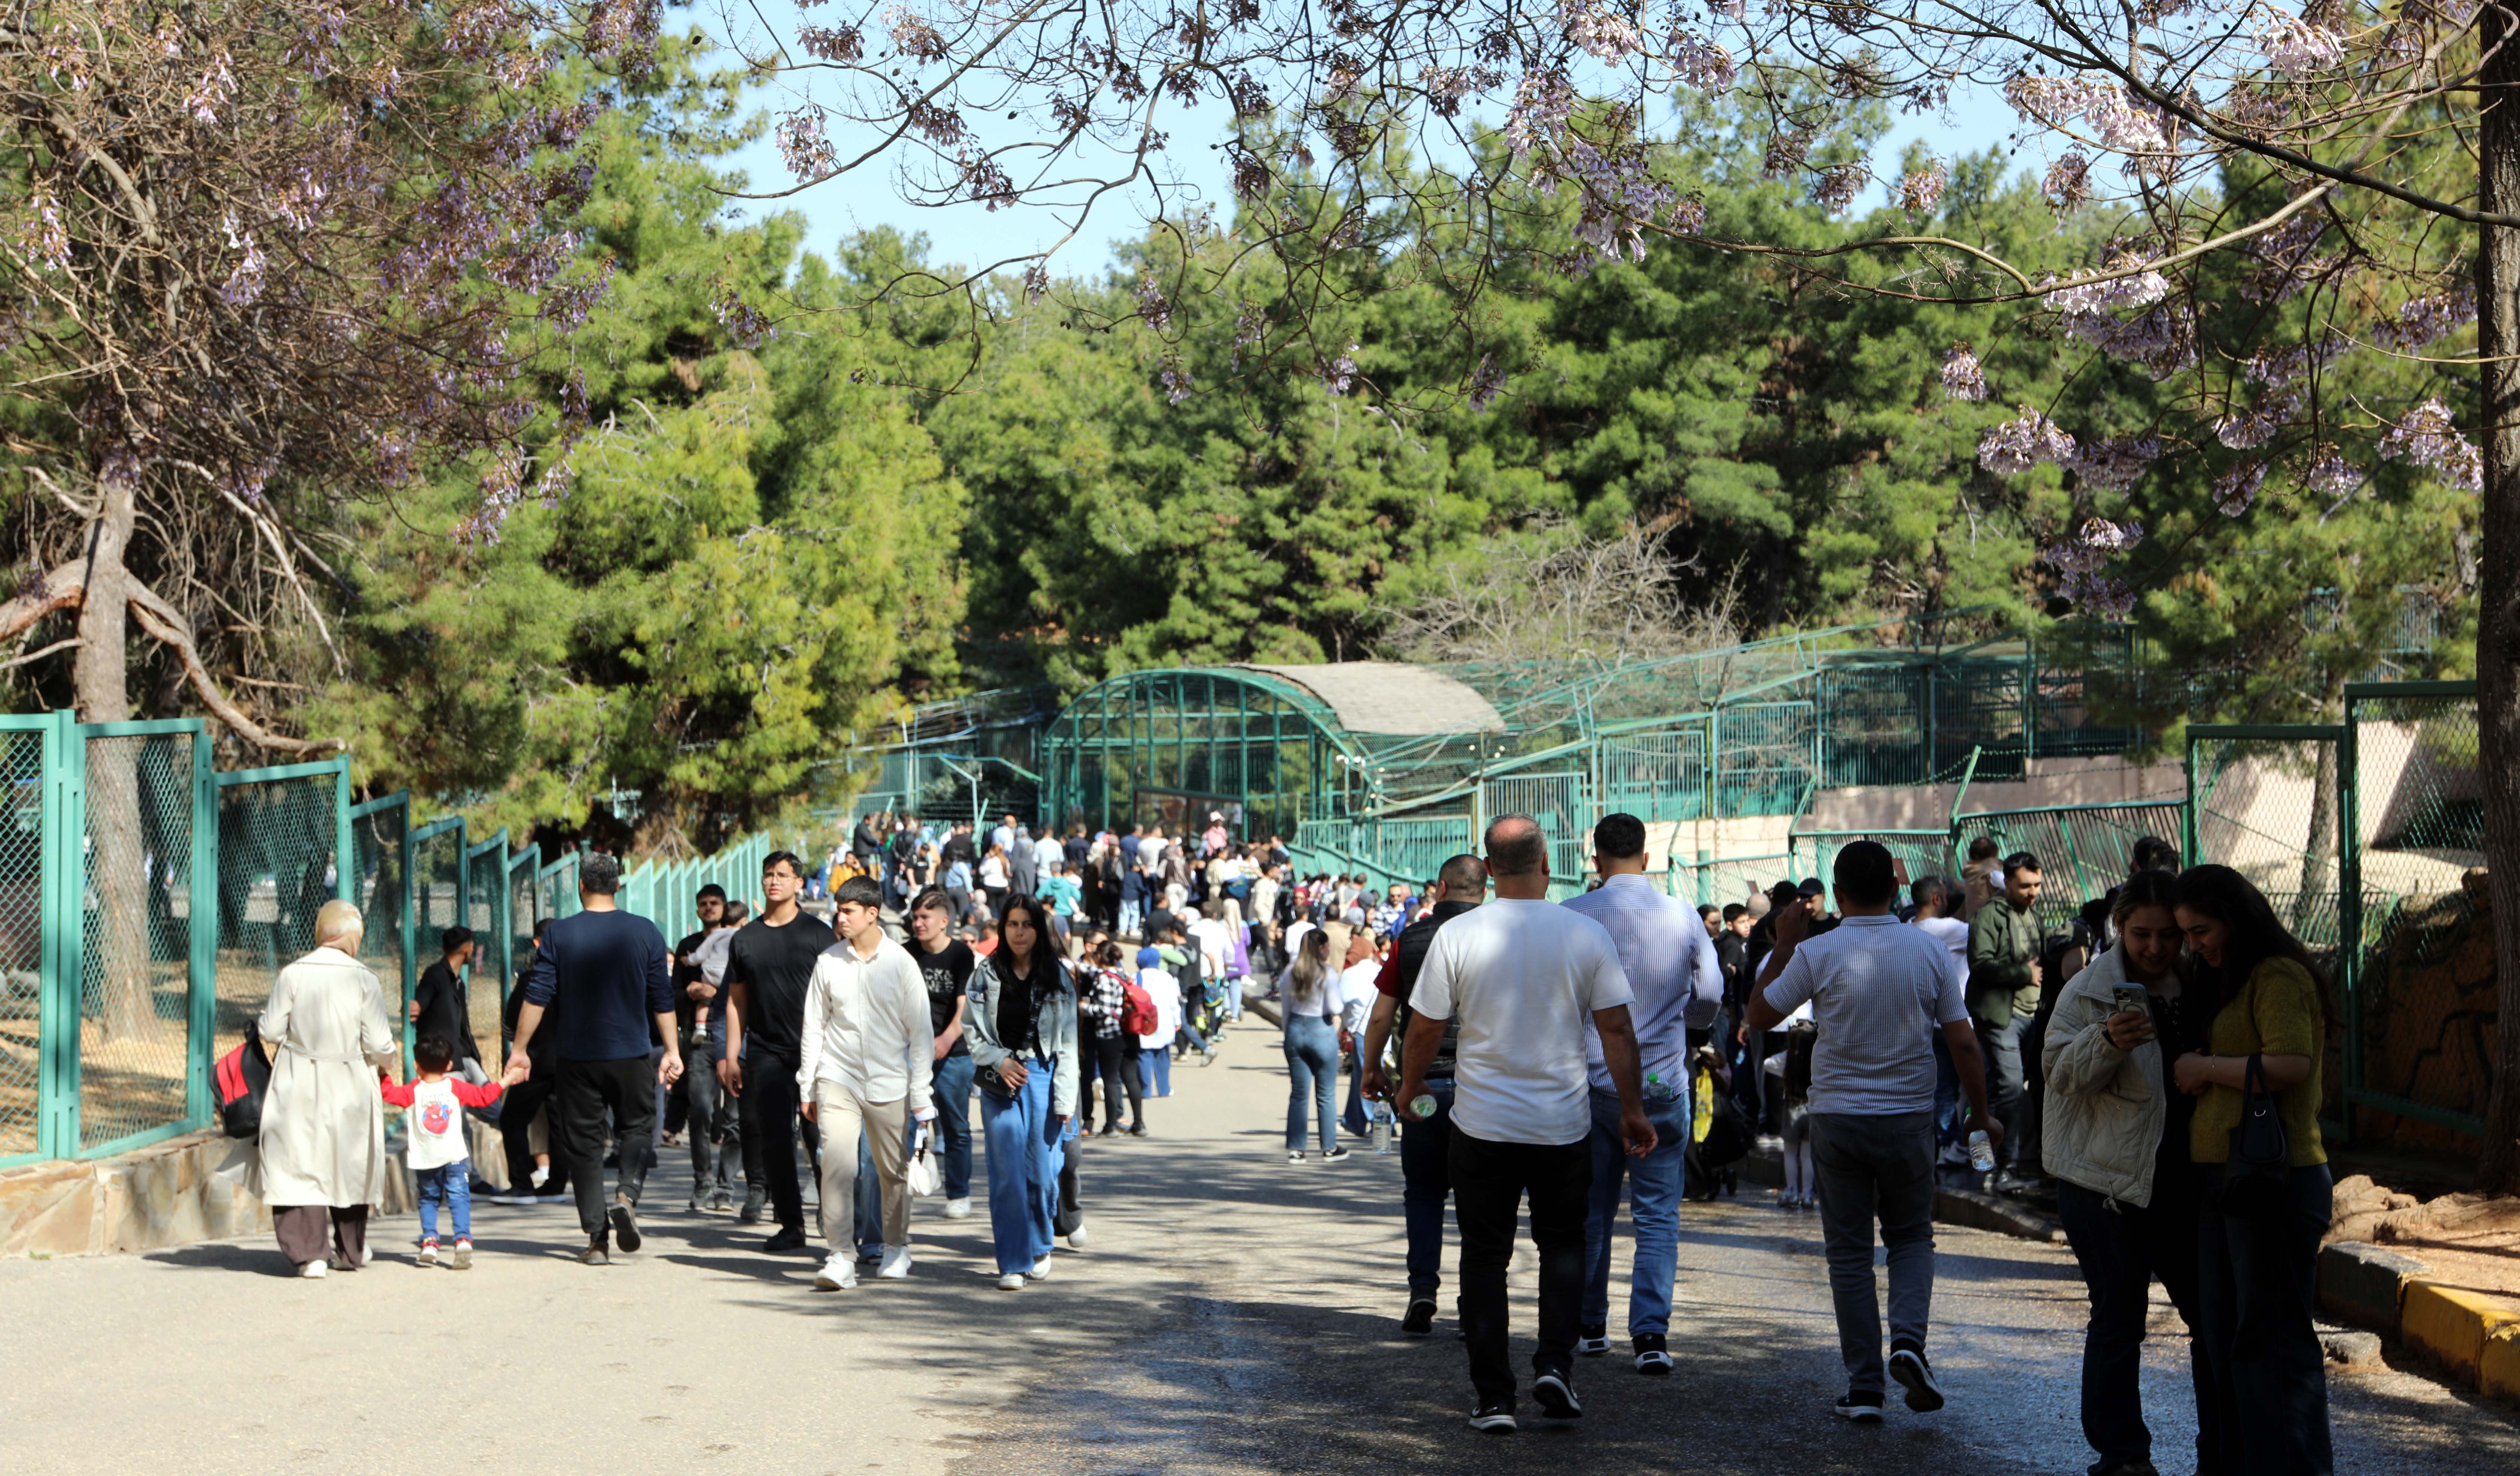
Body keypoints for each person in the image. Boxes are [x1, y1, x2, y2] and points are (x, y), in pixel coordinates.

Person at [1397, 815, 1652, 1435]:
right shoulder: (1583, 934)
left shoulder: (1457, 936)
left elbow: (1426, 1026)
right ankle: (1556, 1367)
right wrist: (1633, 1108)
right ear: (1546, 866)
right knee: (1564, 1245)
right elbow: (1615, 1029)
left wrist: (1411, 1084)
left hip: (1481, 1124)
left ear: (1487, 871)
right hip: (1561, 1124)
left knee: (1485, 1257)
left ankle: (1493, 1397)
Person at [1745, 840, 1998, 1424]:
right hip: (1908, 1120)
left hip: (1837, 1122)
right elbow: (1962, 1041)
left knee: (1850, 1256)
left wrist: (1785, 944)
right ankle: (1907, 1342)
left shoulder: (1819, 952)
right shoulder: (1927, 950)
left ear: (1836, 896)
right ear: (1895, 889)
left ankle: (1865, 1390)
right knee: (1911, 1238)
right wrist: (1981, 1115)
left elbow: (1759, 1016)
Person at [2044, 868, 2229, 1476]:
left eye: (2167, 936)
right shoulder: (2089, 992)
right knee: (2120, 1320)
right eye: (2141, 934)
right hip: (2104, 1186)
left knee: (2211, 1319)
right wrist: (2105, 1042)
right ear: (2120, 927)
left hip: (2184, 1182)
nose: (2155, 948)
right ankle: (2123, 1457)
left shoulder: (2200, 981)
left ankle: (2223, 1452)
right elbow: (2060, 1076)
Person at [2170, 865, 2337, 1476]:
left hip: (2275, 1179)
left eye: (2202, 930)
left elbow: (2291, 1062)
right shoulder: (2225, 977)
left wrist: (2206, 1069)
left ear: (2237, 918)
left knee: (2271, 1342)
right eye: (2187, 933)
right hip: (2222, 1180)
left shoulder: (2279, 975)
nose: (2195, 943)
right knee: (2223, 1339)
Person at [1561, 812, 1722, 1375]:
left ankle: (1590, 1325)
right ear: (1646, 857)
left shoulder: (1574, 915)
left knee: (1593, 1213)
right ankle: (1651, 1334)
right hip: (1661, 1085)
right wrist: (1683, 1024)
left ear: (1597, 861)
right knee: (1658, 1215)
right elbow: (1710, 994)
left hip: (1590, 1086)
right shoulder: (1680, 915)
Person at [508, 851, 682, 1265]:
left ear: (581, 886)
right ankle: (627, 1193)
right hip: (632, 1053)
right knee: (638, 1126)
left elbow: (538, 994)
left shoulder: (560, 934)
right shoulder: (646, 932)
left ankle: (598, 1241)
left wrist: (520, 1049)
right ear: (617, 885)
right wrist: (672, 1050)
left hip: (576, 1059)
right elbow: (662, 997)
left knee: (584, 1146)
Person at [231, 900, 399, 1277]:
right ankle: (349, 1251)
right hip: (350, 1081)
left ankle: (310, 1256)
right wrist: (390, 1058)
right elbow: (379, 1044)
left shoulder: (294, 973)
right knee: (348, 1164)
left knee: (298, 1165)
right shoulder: (365, 978)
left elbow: (271, 1031)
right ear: (354, 935)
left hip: (298, 1079)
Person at [1359, 852, 1486, 1336]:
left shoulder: (1411, 940)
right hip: (1483, 1085)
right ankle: (1476, 1296)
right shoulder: (1500, 935)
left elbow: (1380, 1016)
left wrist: (1372, 1068)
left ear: (1440, 886)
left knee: (1425, 1192)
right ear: (1485, 887)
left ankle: (1422, 1289)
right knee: (1483, 1196)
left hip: (1425, 1085)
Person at [796, 876, 937, 1289]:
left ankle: (896, 1247)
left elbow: (921, 1033)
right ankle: (840, 1255)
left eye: (848, 911)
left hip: (890, 1081)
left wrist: (921, 1094)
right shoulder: (828, 962)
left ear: (872, 914)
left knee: (890, 1170)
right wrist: (808, 1086)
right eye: (838, 910)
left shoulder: (901, 963)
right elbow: (814, 1028)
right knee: (836, 1165)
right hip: (837, 1078)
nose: (840, 918)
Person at [718, 851, 838, 1251]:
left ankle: (834, 1214)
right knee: (775, 1140)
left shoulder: (819, 934)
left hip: (817, 1053)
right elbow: (736, 1003)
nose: (774, 881)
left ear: (798, 884)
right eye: (769, 875)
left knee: (820, 1136)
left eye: (783, 875)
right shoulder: (745, 939)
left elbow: (838, 996)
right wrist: (733, 1056)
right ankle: (792, 1224)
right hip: (766, 1053)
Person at [966, 893, 1080, 1290]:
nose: (1019, 932)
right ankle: (1012, 1262)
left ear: (1039, 930)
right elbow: (972, 1030)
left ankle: (1040, 1244)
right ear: (1003, 928)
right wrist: (998, 1060)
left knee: (1042, 1173)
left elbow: (1068, 1043)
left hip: (1043, 1076)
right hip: (1000, 1079)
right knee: (1006, 1174)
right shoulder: (986, 974)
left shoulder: (1058, 978)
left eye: (1027, 924)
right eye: (1012, 924)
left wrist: (1066, 1099)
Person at [382, 1035, 504, 1269]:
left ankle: (429, 1241)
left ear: (417, 1065)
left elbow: (388, 1093)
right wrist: (507, 1079)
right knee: (459, 1198)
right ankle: (462, 1240)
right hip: (455, 1156)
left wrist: (382, 1071)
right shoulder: (454, 1087)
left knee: (428, 1199)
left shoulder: (413, 1091)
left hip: (425, 1158)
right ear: (449, 1066)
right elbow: (485, 1097)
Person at [1968, 852, 2044, 1191]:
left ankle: (1986, 1164)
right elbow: (1981, 964)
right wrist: (2023, 973)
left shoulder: (2033, 916)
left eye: (2038, 885)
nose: (2032, 892)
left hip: (2030, 1015)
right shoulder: (1990, 915)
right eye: (2025, 886)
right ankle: (2002, 1168)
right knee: (2010, 1088)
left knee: (1998, 1092)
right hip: (2000, 1015)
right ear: (2008, 882)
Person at [908, 888, 978, 1218]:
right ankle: (905, 1186)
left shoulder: (961, 955)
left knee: (955, 1126)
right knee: (907, 1124)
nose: (918, 924)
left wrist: (947, 1040)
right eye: (915, 917)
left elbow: (965, 1007)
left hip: (955, 1054)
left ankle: (959, 1193)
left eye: (925, 918)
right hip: (911, 1053)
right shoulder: (905, 954)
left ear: (944, 922)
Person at [492, 917, 565, 1204]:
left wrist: (519, 1045)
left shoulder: (529, 979)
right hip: (567, 1063)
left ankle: (522, 1184)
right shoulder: (573, 979)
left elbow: (510, 1023)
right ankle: (556, 1185)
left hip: (532, 1063)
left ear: (538, 943)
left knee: (512, 1120)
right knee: (561, 1124)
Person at [674, 885, 735, 1212]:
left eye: (715, 903)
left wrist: (715, 992)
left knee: (735, 1117)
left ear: (724, 907)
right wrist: (692, 990)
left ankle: (727, 1188)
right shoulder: (689, 947)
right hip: (700, 1038)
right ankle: (704, 1183)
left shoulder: (738, 939)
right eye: (703, 904)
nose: (709, 908)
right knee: (700, 1110)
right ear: (697, 910)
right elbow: (674, 995)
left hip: (737, 1034)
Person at [1278, 927, 1346, 1163]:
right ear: (1322, 948)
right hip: (1321, 1029)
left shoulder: (1290, 972)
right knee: (1326, 1093)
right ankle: (1329, 1147)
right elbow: (1336, 1008)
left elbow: (1285, 1009)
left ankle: (1297, 1149)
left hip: (1296, 1028)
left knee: (1299, 1092)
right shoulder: (1327, 973)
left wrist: (1288, 1035)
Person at [1078, 938, 1144, 1136]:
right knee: (1131, 1078)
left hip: (1110, 1035)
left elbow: (1104, 1010)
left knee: (1110, 1079)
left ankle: (1110, 1126)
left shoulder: (1104, 979)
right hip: (1130, 1033)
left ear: (1099, 956)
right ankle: (1139, 1124)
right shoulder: (1123, 975)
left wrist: (1084, 1008)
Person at [409, 927, 481, 1079]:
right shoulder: (435, 974)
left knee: (491, 1099)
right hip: (446, 1062)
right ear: (468, 949)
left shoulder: (458, 983)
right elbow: (422, 998)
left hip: (464, 1057)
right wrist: (418, 1006)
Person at [1335, 927, 1382, 1138]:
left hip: (1362, 1032)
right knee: (1370, 1076)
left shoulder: (1351, 974)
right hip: (1384, 1032)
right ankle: (1353, 1122)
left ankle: (1379, 1121)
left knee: (1366, 1078)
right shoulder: (1381, 970)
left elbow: (1338, 1005)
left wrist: (1342, 1028)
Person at [1136, 946, 1182, 1098]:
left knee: (1144, 1057)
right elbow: (1173, 1003)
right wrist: (1177, 1020)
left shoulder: (1136, 977)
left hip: (1145, 1024)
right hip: (1164, 1023)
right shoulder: (1166, 977)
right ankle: (1164, 1089)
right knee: (1163, 1057)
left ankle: (1145, 1091)